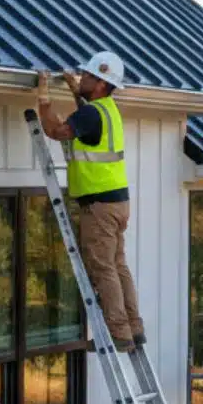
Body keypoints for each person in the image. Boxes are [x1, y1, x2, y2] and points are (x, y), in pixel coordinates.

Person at [35, 51, 146, 353]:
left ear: (100, 84)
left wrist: (43, 99)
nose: (81, 77)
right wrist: (74, 90)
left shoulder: (91, 114)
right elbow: (87, 119)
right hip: (117, 201)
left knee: (103, 268)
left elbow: (57, 131)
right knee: (118, 266)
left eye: (87, 76)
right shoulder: (107, 109)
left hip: (99, 205)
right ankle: (134, 328)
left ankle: (119, 333)